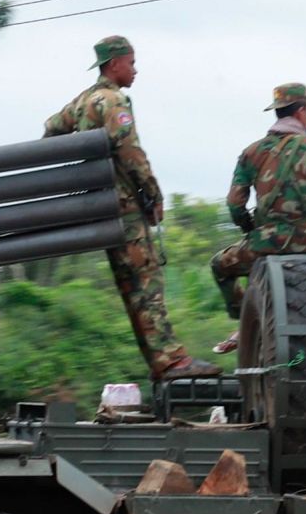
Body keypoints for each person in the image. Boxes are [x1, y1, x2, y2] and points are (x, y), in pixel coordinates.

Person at [43, 35, 220, 381]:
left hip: (98, 207)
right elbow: (131, 153)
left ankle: (162, 364)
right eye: (131, 62)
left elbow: (51, 130)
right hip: (124, 208)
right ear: (114, 64)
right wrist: (153, 194)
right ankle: (171, 362)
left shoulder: (82, 102)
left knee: (130, 286)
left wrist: (78, 173)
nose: (135, 70)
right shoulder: (113, 101)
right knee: (146, 282)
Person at [209, 82, 306, 354]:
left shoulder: (251, 152)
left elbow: (235, 203)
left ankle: (246, 321)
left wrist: (251, 228)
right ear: (302, 111)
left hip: (262, 245)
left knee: (220, 266)